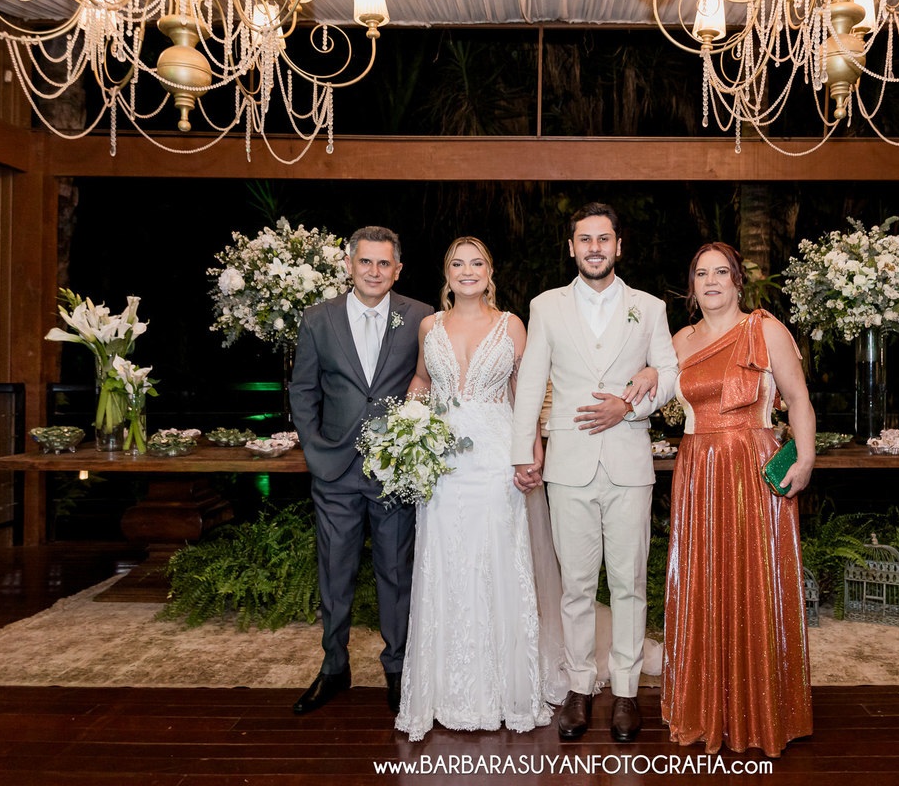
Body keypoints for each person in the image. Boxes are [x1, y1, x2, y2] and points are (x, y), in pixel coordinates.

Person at [511, 202, 679, 743]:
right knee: (577, 587)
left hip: (629, 464)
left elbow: (670, 375)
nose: (594, 248)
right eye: (585, 239)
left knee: (629, 583)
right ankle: (579, 687)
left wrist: (629, 404)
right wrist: (522, 450)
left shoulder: (649, 307)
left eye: (603, 238)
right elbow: (531, 381)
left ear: (618, 246)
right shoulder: (546, 306)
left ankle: (626, 692)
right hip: (569, 465)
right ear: (572, 248)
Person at [393, 236, 555, 740]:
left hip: (495, 459)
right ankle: (444, 691)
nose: (468, 271)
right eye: (458, 264)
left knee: (497, 562)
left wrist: (532, 450)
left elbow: (524, 391)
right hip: (440, 463)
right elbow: (422, 381)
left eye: (477, 263)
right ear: (447, 274)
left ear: (490, 272)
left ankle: (507, 689)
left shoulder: (511, 324)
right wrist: (406, 428)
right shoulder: (429, 326)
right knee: (444, 563)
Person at [662, 241, 815, 757]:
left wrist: (805, 459)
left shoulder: (765, 330)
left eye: (721, 272)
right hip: (698, 472)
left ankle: (763, 711)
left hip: (753, 467)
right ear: (692, 285)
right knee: (703, 582)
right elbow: (651, 387)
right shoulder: (679, 341)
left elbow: (799, 400)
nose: (711, 281)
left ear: (737, 281)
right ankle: (706, 708)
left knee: (756, 581)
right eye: (701, 273)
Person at [288, 226, 432, 716]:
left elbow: (433, 383)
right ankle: (334, 667)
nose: (374, 271)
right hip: (335, 469)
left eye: (384, 263)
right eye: (365, 262)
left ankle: (398, 669)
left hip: (394, 469)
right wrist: (315, 449)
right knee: (335, 571)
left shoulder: (421, 317)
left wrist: (415, 445)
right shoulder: (318, 318)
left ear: (398, 270)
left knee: (395, 571)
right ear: (349, 265)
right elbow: (302, 390)